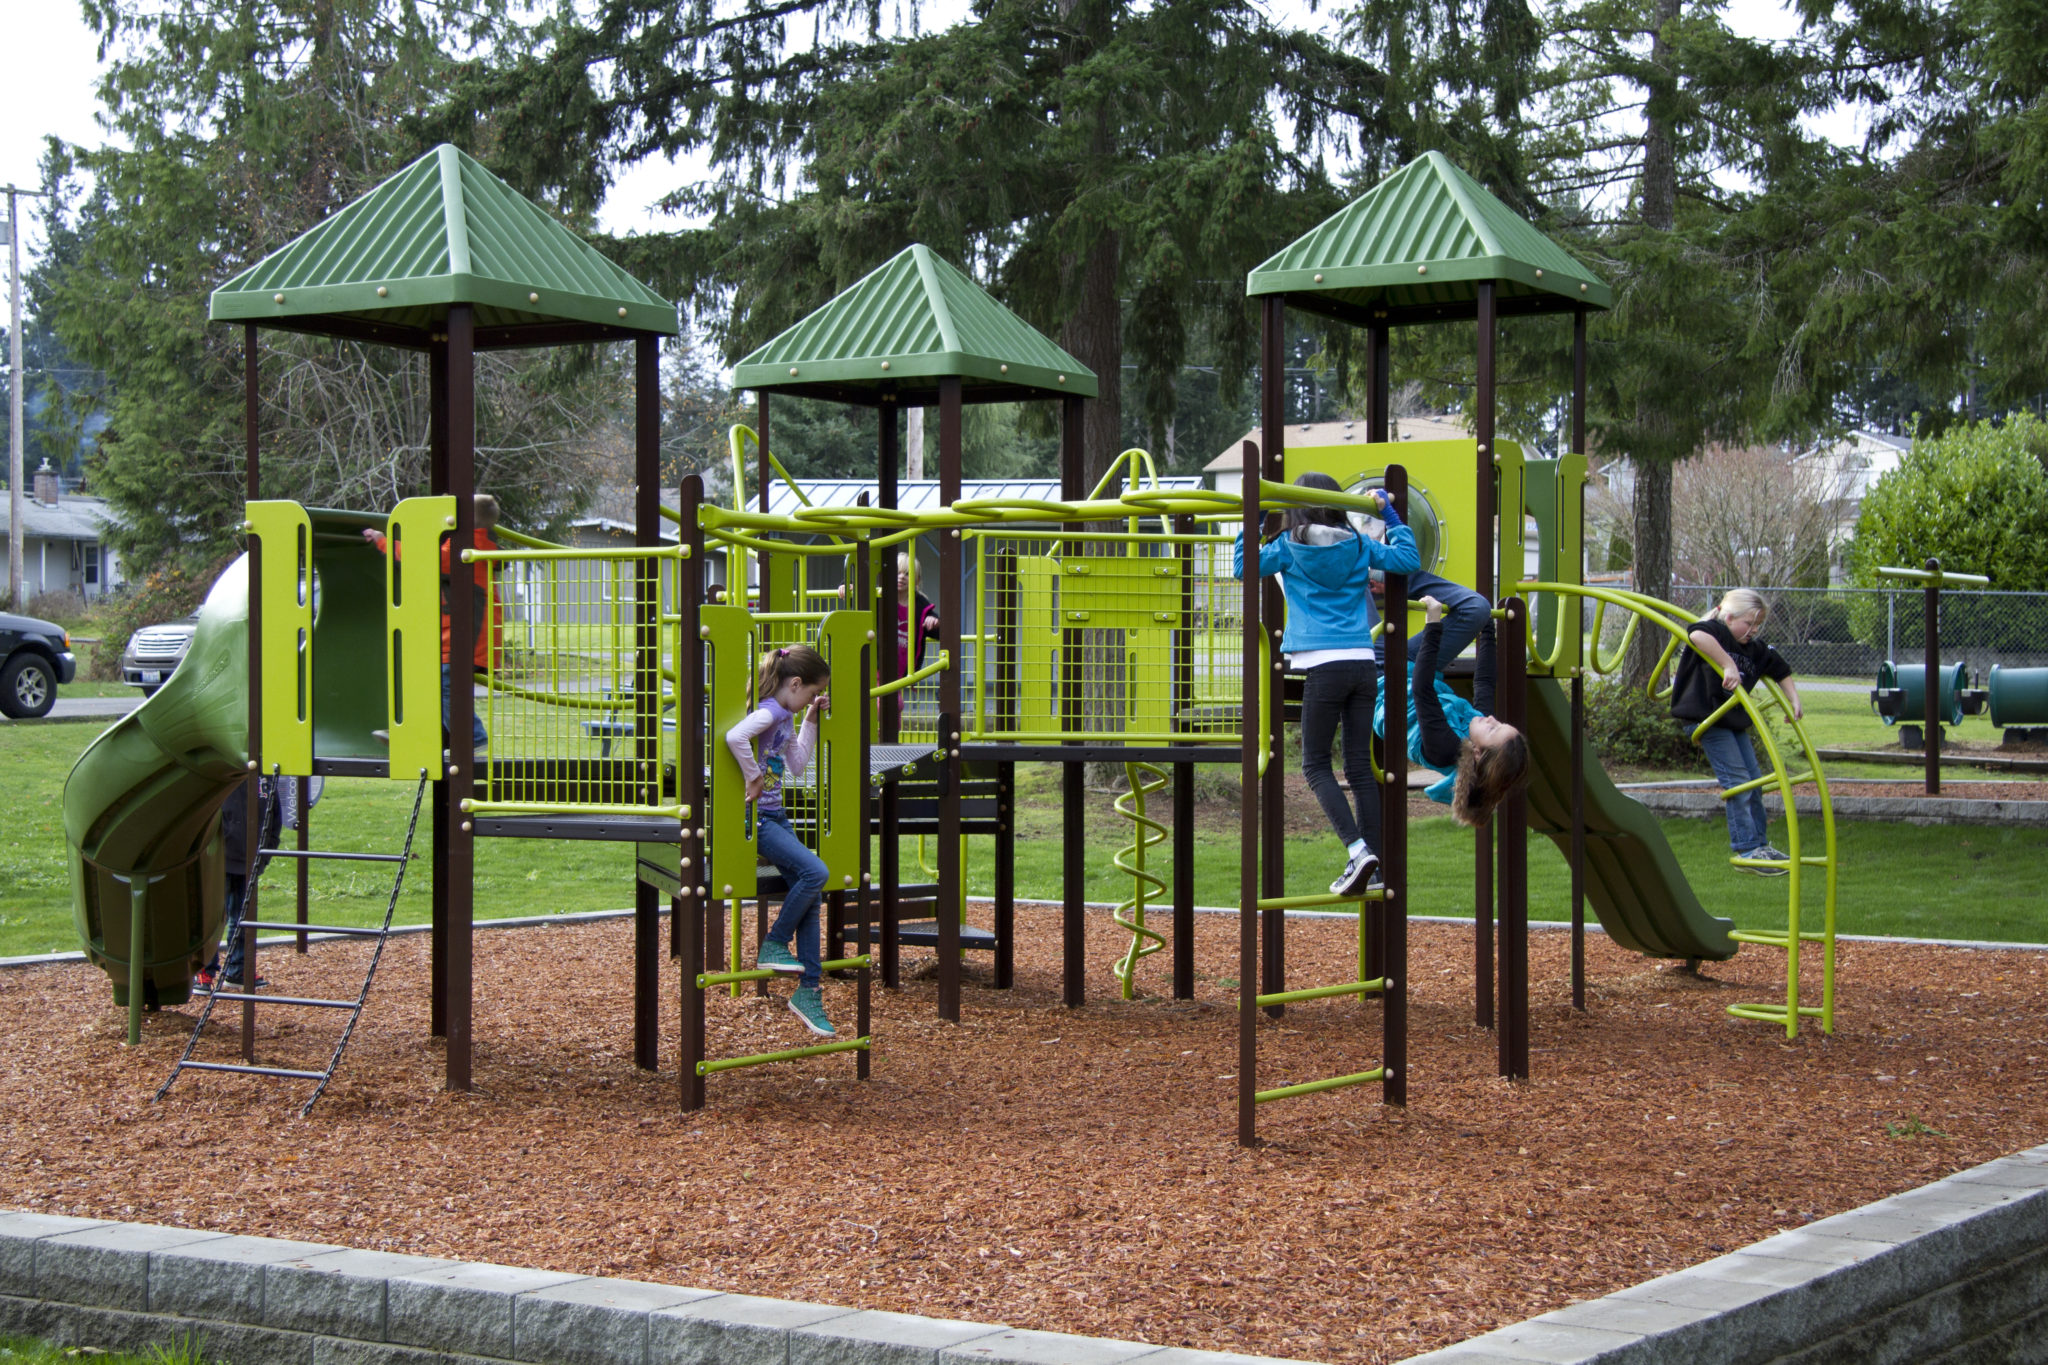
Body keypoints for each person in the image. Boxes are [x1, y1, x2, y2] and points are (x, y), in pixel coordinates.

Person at [1235, 472, 1420, 895]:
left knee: (1315, 764)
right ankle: (1374, 866)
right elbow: (1408, 559)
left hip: (1322, 664)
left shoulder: (1287, 547)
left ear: (1297, 509)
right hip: (1361, 661)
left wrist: (1257, 513)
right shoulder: (1357, 545)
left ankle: (1357, 850)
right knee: (1358, 767)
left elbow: (1241, 566)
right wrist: (1388, 512)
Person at [725, 644, 837, 1037]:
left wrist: (809, 719)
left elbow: (797, 763)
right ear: (794, 683)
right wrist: (753, 776)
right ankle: (773, 943)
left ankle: (809, 991)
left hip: (776, 817)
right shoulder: (770, 711)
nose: (810, 699)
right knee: (815, 872)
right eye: (809, 694)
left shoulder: (786, 717)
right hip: (758, 821)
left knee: (812, 891)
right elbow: (735, 736)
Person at [1670, 588, 1802, 875]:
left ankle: (1760, 844)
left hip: (1731, 720)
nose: (1753, 631)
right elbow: (1695, 635)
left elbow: (1780, 667)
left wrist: (1794, 700)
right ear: (1728, 616)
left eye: (1758, 625)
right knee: (1739, 781)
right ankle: (1746, 846)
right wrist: (1727, 664)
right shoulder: (1716, 631)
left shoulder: (1753, 647)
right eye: (1749, 623)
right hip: (1707, 717)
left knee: (1754, 779)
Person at [363, 494, 502, 753]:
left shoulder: (467, 549)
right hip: (464, 638)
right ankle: (427, 735)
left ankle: (474, 737)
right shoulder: (479, 545)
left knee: (446, 688)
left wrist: (384, 543)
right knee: (433, 685)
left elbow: (421, 558)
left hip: (465, 640)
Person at [1379, 594, 1532, 827]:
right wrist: (1487, 626)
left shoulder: (1445, 749)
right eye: (1499, 723)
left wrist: (1433, 623)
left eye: (1494, 729)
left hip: (1381, 678)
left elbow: (1422, 688)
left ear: (1478, 754)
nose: (1491, 719)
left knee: (1358, 595)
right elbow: (1484, 683)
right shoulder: (1476, 729)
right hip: (1405, 670)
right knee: (1476, 611)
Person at [196, 777, 282, 993]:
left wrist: (265, 854)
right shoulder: (223, 773)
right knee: (213, 917)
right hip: (220, 858)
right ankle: (204, 969)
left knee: (244, 918)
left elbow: (274, 818)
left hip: (250, 859)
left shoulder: (265, 779)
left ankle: (238, 969)